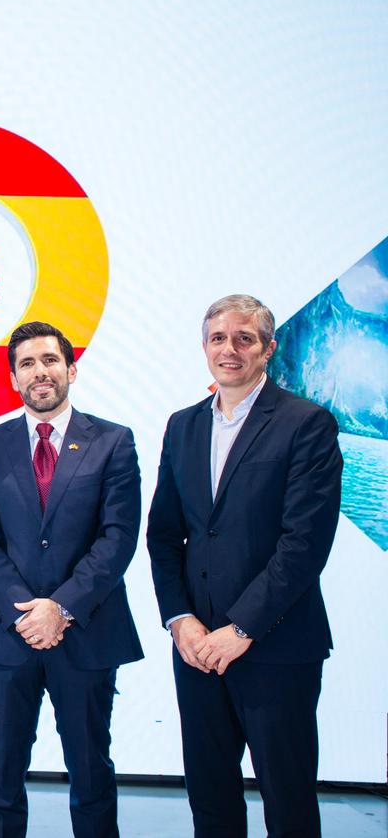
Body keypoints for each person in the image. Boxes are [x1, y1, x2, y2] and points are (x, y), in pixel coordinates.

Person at [148, 294, 342, 837]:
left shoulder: (307, 424)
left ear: (267, 348)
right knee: (209, 797)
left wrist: (240, 630)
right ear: (204, 347)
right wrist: (180, 620)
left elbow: (304, 544)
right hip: (197, 649)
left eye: (244, 338)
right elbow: (164, 535)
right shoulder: (182, 426)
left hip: (277, 647)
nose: (228, 349)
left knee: (288, 799)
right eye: (218, 338)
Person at [0, 321, 143, 837]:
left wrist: (59, 608)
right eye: (27, 364)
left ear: (71, 370)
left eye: (49, 360)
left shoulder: (113, 441)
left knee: (91, 768)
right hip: (9, 632)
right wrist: (27, 610)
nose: (39, 372)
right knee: (1, 768)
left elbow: (117, 538)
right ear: (14, 379)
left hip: (85, 631)